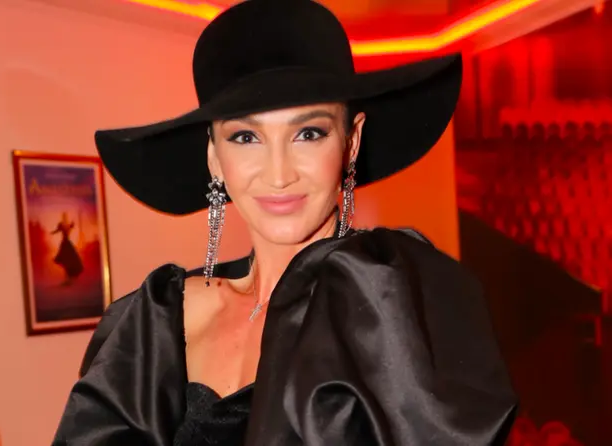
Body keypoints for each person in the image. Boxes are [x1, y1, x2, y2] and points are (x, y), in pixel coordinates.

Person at [53, 0, 517, 444]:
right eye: (246, 137)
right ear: (214, 158)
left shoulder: (394, 302)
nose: (279, 174)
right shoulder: (159, 318)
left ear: (351, 143)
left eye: (308, 133)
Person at [51, 212, 83, 284]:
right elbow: (57, 230)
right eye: (63, 216)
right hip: (64, 244)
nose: (64, 218)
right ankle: (67, 278)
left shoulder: (68, 225)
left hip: (67, 244)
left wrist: (72, 224)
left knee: (70, 261)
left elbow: (71, 227)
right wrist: (53, 232)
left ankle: (69, 277)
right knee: (65, 262)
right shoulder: (62, 225)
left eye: (65, 216)